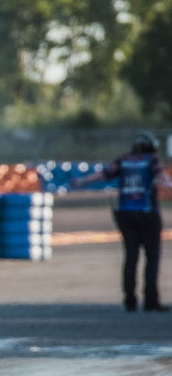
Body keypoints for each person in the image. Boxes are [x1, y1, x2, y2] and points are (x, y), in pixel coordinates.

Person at [73, 131, 172, 311]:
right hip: (147, 214)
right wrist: (167, 184)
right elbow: (162, 178)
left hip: (125, 214)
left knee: (130, 257)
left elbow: (104, 174)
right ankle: (150, 300)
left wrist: (82, 181)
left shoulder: (123, 160)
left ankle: (130, 300)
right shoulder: (152, 160)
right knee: (152, 257)